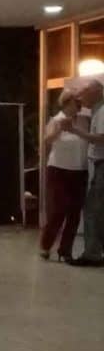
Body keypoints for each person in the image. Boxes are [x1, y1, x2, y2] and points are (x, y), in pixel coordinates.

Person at [39, 90, 89, 262]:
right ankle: (46, 246)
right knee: (58, 211)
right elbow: (46, 141)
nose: (79, 106)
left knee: (74, 213)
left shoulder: (82, 122)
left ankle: (65, 250)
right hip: (58, 170)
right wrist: (60, 130)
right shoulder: (56, 120)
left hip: (79, 171)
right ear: (67, 103)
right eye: (77, 103)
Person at [62, 79, 104, 266]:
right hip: (98, 165)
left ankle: (92, 254)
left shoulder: (102, 112)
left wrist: (75, 130)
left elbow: (101, 139)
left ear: (97, 92)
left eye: (84, 93)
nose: (81, 98)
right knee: (97, 210)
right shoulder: (96, 112)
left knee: (93, 210)